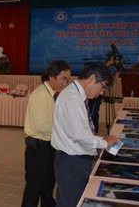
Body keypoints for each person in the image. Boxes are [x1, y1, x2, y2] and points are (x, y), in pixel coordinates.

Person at [51, 63, 119, 207]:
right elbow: (80, 136)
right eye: (103, 87)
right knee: (73, 203)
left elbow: (81, 131)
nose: (101, 93)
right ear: (93, 78)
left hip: (72, 160)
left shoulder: (75, 95)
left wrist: (102, 139)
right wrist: (105, 143)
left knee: (66, 202)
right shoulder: (72, 98)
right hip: (72, 162)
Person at [21, 60, 71, 207]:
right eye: (63, 79)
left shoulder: (53, 94)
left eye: (67, 79)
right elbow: (41, 126)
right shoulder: (40, 94)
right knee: (33, 190)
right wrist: (66, 130)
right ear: (51, 76)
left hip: (49, 147)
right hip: (38, 149)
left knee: (47, 188)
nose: (65, 83)